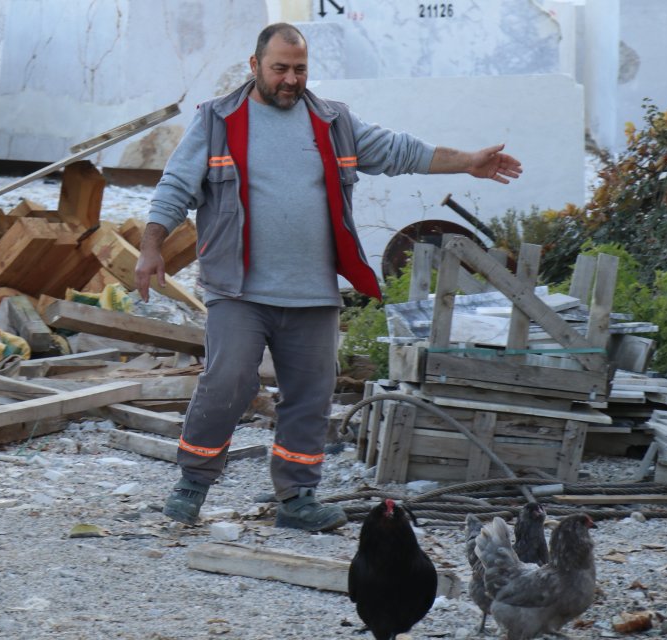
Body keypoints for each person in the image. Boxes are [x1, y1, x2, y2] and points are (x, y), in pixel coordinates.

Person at [134, 22, 522, 532]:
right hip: (239, 289)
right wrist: (150, 247)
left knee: (311, 395)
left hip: (313, 291)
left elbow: (402, 151)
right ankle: (192, 485)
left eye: (299, 69)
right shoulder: (218, 121)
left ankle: (297, 499)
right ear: (254, 67)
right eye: (280, 69)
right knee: (227, 381)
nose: (291, 79)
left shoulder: (333, 122)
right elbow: (176, 186)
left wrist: (467, 162)